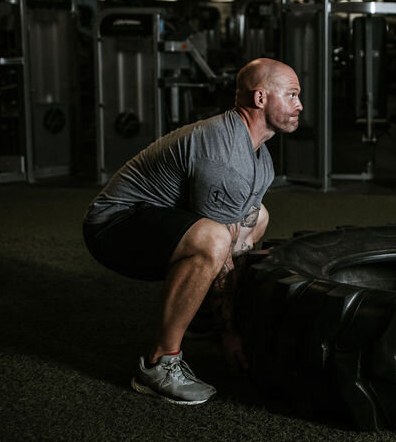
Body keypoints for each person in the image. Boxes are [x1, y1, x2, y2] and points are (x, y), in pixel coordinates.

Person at [83, 58, 302, 405]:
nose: (299, 105)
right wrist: (231, 334)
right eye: (291, 95)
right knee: (213, 240)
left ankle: (199, 312)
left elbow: (240, 244)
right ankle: (159, 364)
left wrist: (232, 320)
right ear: (260, 98)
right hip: (114, 225)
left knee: (257, 216)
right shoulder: (225, 155)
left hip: (161, 216)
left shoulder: (259, 157)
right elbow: (223, 247)